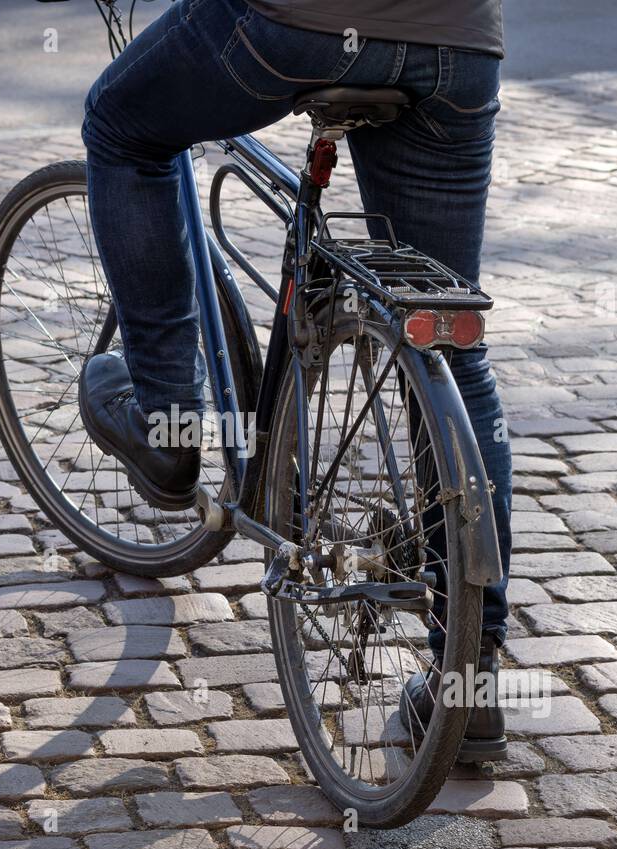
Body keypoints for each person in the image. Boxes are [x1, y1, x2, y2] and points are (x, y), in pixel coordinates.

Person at [77, 0, 512, 760]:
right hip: (458, 42)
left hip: (295, 24)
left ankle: (164, 425)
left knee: (124, 127)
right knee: (445, 339)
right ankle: (470, 681)